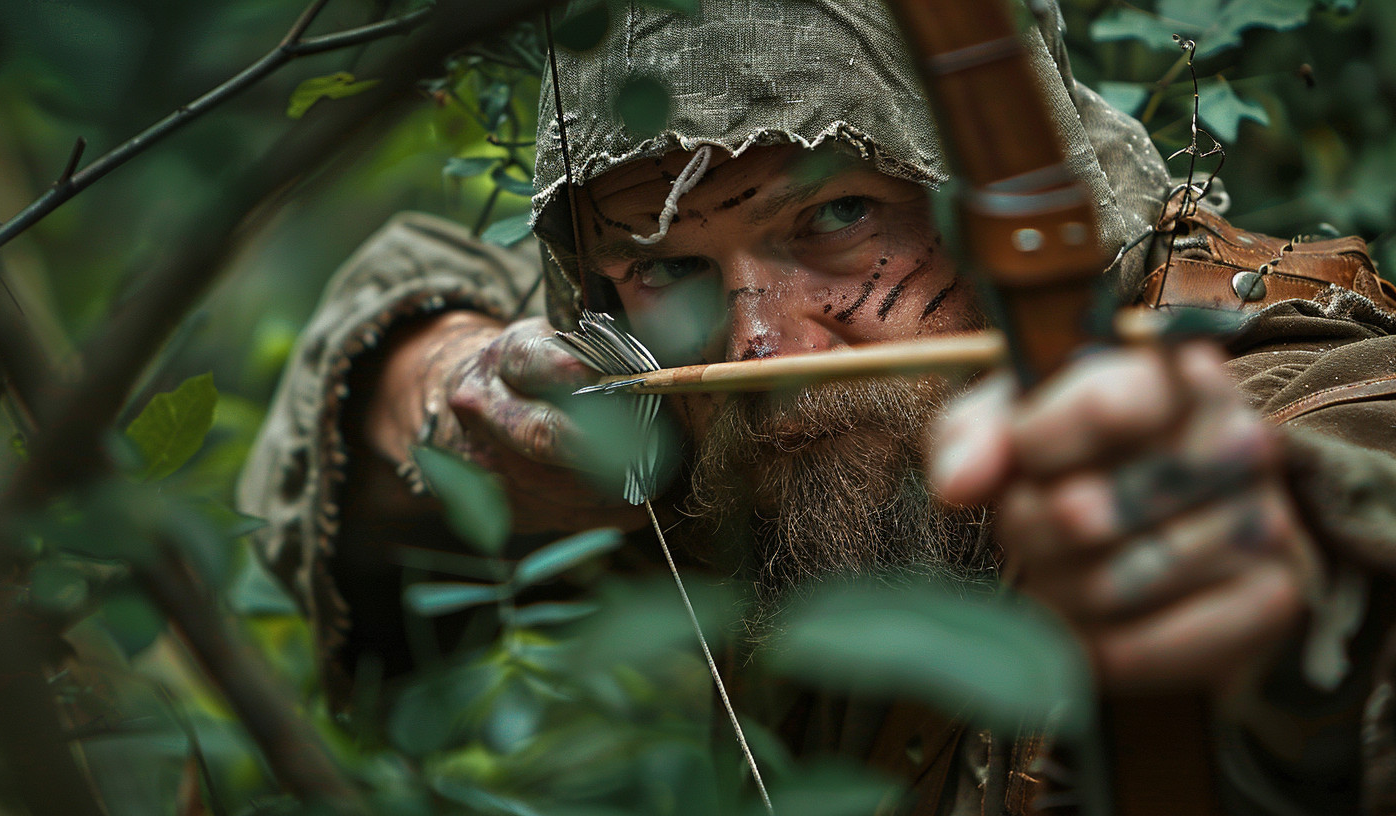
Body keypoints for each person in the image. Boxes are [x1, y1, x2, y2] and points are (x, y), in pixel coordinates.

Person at [239, 0, 1396, 812]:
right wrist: (452, 388)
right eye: (669, 267)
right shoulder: (716, 416)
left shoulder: (1291, 389)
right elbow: (371, 342)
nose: (761, 344)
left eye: (835, 217)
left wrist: (1290, 578)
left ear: (993, 199)